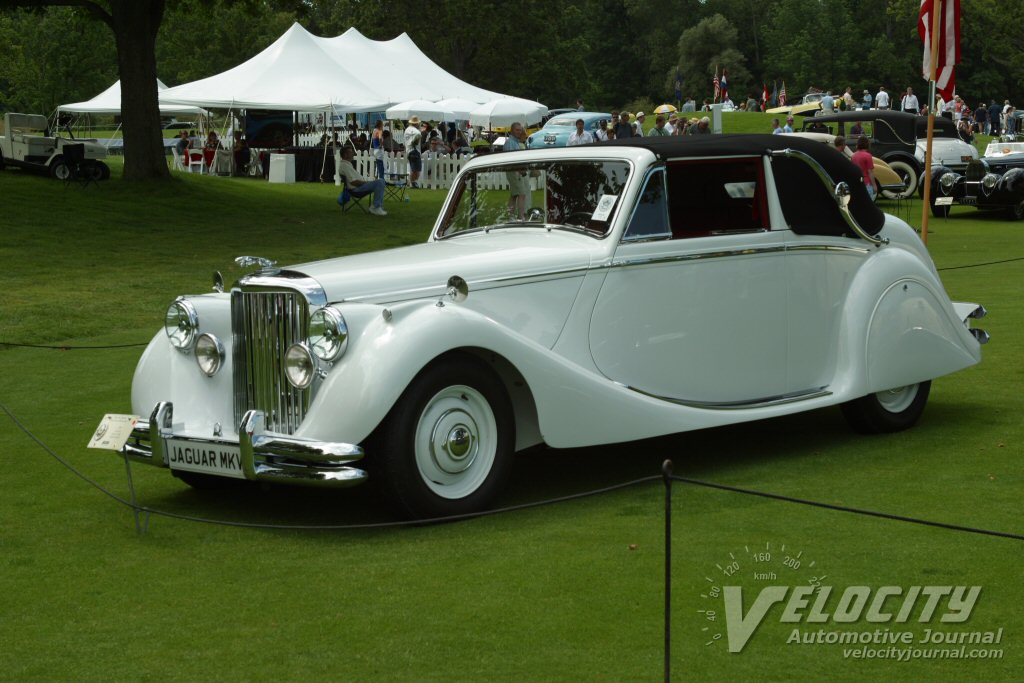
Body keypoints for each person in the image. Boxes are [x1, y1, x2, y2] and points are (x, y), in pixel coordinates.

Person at [337, 145, 387, 216]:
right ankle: (376, 207)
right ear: (345, 155)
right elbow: (353, 182)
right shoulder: (344, 166)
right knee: (380, 182)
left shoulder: (347, 164)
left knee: (380, 181)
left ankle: (378, 207)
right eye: (351, 152)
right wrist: (367, 183)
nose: (353, 154)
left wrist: (369, 183)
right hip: (356, 190)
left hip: (358, 188)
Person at [503, 122, 528, 220]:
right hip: (513, 171)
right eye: (517, 130)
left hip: (516, 171)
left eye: (520, 130)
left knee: (514, 194)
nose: (519, 132)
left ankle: (511, 216)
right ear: (512, 130)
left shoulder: (515, 142)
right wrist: (520, 170)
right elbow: (511, 161)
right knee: (521, 194)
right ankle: (521, 217)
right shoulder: (510, 142)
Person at [850, 135, 876, 201]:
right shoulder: (868, 156)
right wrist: (874, 185)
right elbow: (870, 172)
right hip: (866, 183)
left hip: (857, 183)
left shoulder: (853, 156)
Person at [404, 116, 422, 188]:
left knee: (413, 169)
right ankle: (412, 183)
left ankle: (412, 183)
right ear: (416, 123)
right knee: (416, 170)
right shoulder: (415, 131)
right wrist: (415, 142)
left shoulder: (407, 130)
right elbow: (418, 135)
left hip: (409, 151)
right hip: (414, 150)